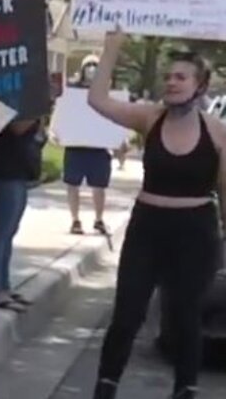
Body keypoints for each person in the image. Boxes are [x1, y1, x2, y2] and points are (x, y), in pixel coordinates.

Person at [87, 31, 225, 399]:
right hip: (148, 227)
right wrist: (111, 46)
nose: (171, 82)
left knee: (186, 316)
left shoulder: (217, 133)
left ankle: (185, 390)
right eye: (168, 76)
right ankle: (105, 387)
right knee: (128, 314)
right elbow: (97, 100)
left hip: (195, 232)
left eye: (180, 77)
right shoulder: (150, 118)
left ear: (199, 85)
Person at [0, 115, 45, 312]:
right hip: (4, 169)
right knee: (1, 231)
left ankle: (4, 286)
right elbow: (17, 127)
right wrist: (38, 112)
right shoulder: (14, 98)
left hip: (17, 170)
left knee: (9, 231)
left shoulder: (30, 100)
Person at [64, 55, 114, 236]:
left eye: (95, 65)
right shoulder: (72, 91)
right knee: (72, 185)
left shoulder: (106, 92)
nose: (92, 69)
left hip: (99, 147)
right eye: (89, 65)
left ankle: (98, 219)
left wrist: (119, 139)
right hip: (75, 145)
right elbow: (63, 113)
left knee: (99, 186)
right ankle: (75, 220)